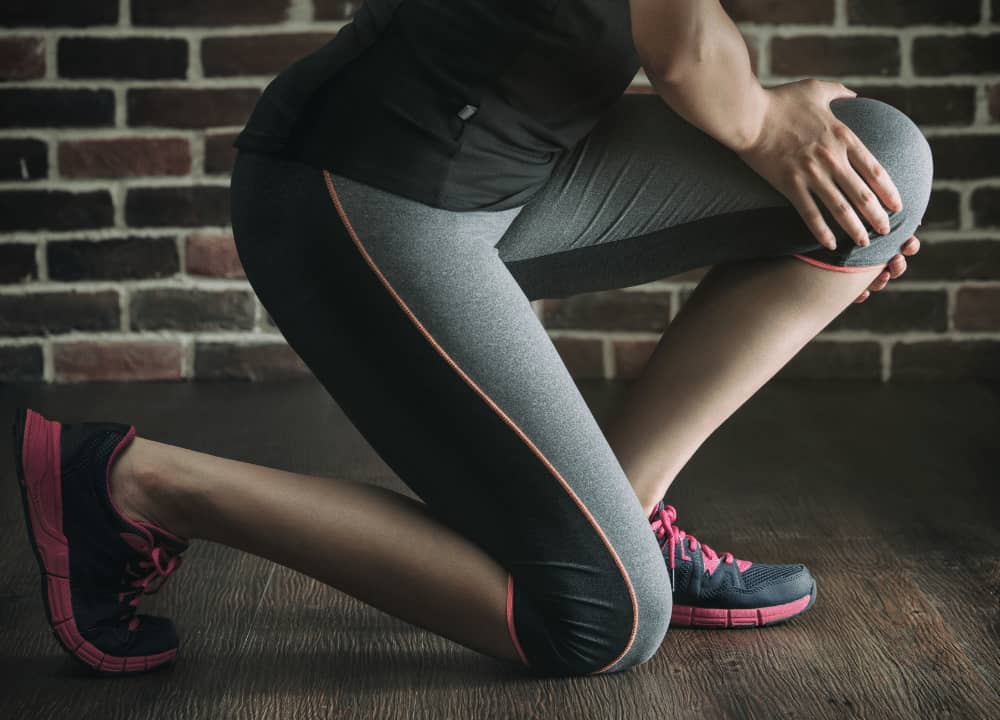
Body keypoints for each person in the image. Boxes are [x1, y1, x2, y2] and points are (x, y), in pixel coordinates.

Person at [12, 0, 930, 677]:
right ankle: (137, 486)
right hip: (362, 194)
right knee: (601, 621)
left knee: (879, 164)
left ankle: (624, 512)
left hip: (515, 176)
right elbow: (685, 52)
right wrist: (767, 124)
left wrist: (828, 209)